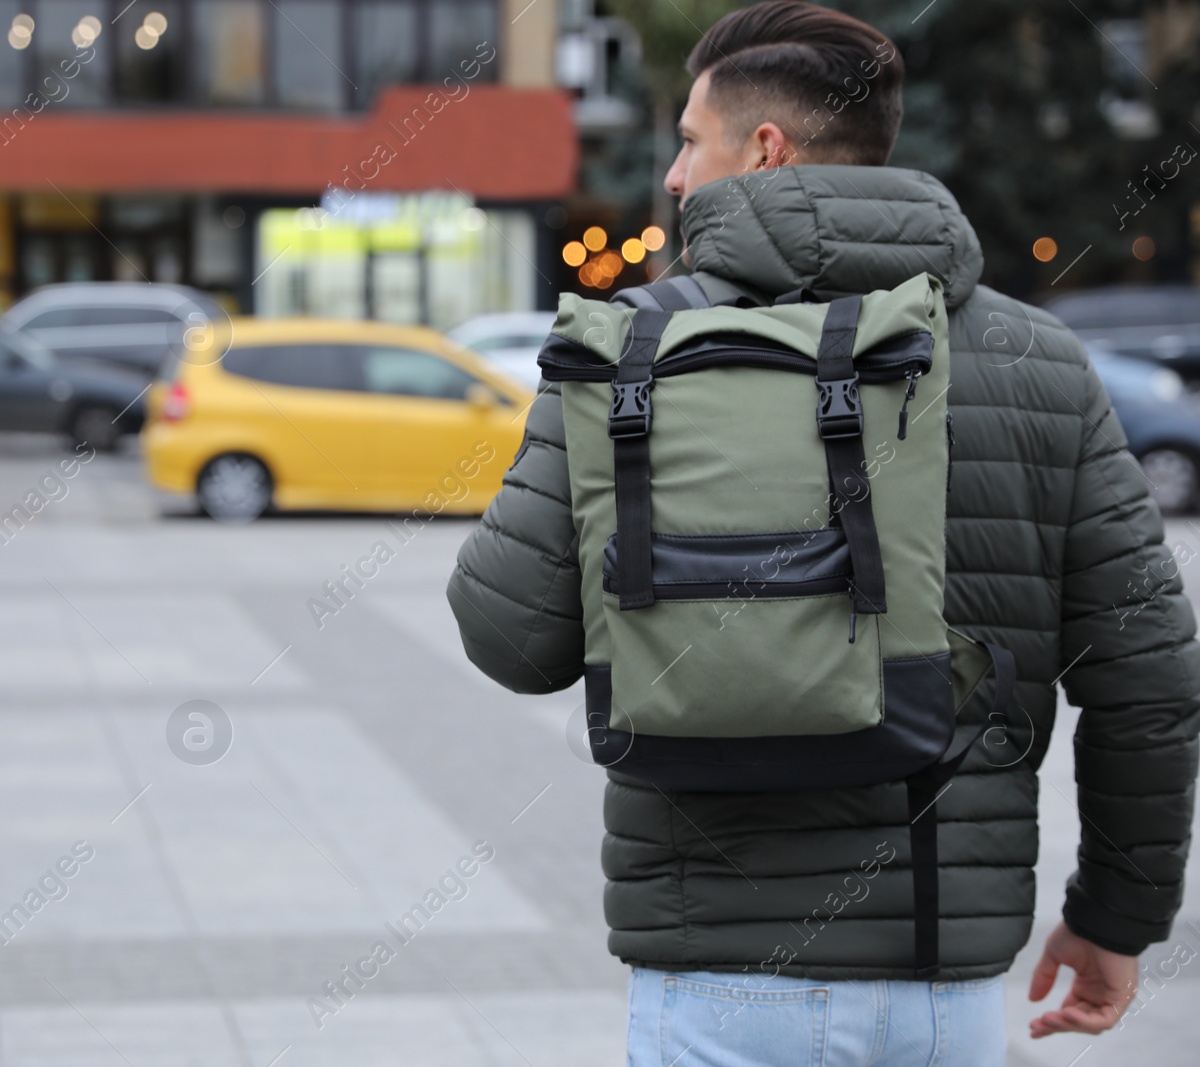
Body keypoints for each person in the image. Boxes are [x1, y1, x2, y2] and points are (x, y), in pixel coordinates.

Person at [446, 2, 1200, 1064]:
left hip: (715, 973)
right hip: (943, 982)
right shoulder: (1038, 361)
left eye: (687, 139)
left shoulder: (633, 349)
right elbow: (1147, 674)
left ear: (764, 149)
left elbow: (508, 639)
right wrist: (1115, 915)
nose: (670, 175)